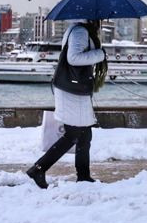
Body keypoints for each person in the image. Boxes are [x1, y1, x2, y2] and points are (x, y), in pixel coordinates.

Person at [26, 19, 107, 189]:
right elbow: (74, 58)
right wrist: (100, 54)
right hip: (73, 90)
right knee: (74, 134)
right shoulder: (80, 32)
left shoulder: (78, 30)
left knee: (84, 134)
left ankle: (83, 176)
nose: (99, 21)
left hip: (74, 89)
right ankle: (38, 169)